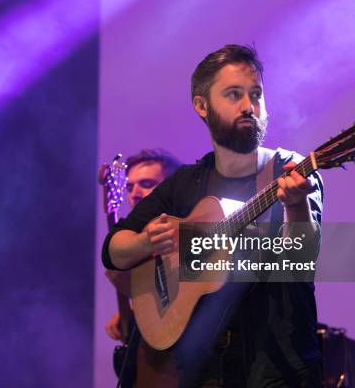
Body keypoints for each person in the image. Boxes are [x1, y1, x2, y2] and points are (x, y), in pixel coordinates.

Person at [102, 45, 324, 387]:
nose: (249, 106)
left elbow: (300, 262)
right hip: (201, 373)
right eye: (234, 94)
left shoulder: (289, 169)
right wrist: (145, 242)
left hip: (275, 368)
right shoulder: (186, 183)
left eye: (256, 94)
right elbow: (113, 250)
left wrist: (296, 206)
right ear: (201, 105)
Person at [105, 148, 182, 387]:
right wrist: (131, 311)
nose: (135, 194)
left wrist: (132, 289)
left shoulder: (188, 233)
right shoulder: (134, 242)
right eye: (129, 187)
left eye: (147, 184)